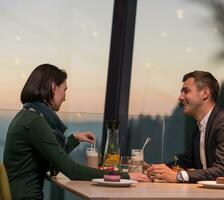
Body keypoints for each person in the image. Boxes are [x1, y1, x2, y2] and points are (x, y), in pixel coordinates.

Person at [3, 64, 150, 200]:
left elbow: (53, 157)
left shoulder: (27, 114)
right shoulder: (35, 121)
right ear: (53, 87)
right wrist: (125, 175)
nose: (65, 97)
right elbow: (71, 170)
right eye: (64, 90)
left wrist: (73, 139)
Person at [146, 70, 224, 187]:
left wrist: (180, 176)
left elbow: (223, 171)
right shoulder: (201, 125)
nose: (180, 97)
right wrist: (155, 169)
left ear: (205, 93)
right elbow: (187, 161)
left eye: (186, 91)